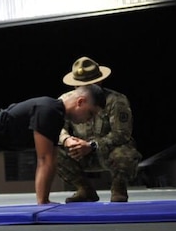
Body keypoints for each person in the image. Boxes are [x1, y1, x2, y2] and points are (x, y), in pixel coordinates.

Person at [56, 57, 141, 203]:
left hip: (108, 151)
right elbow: (56, 128)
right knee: (53, 152)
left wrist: (92, 146)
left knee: (127, 152)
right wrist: (68, 140)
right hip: (80, 152)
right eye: (80, 85)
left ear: (99, 82)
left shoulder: (116, 100)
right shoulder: (65, 100)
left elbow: (122, 134)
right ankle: (85, 190)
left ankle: (119, 188)